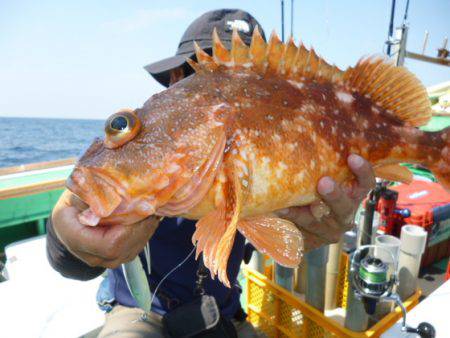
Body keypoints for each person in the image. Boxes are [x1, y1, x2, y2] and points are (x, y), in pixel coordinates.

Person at [47, 9, 376, 338]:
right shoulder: (129, 149)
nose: (232, 102)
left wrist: (313, 233)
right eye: (200, 71)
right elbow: (67, 262)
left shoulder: (264, 164)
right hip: (140, 313)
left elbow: (284, 243)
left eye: (251, 86)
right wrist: (66, 234)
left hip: (222, 313)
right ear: (176, 81)